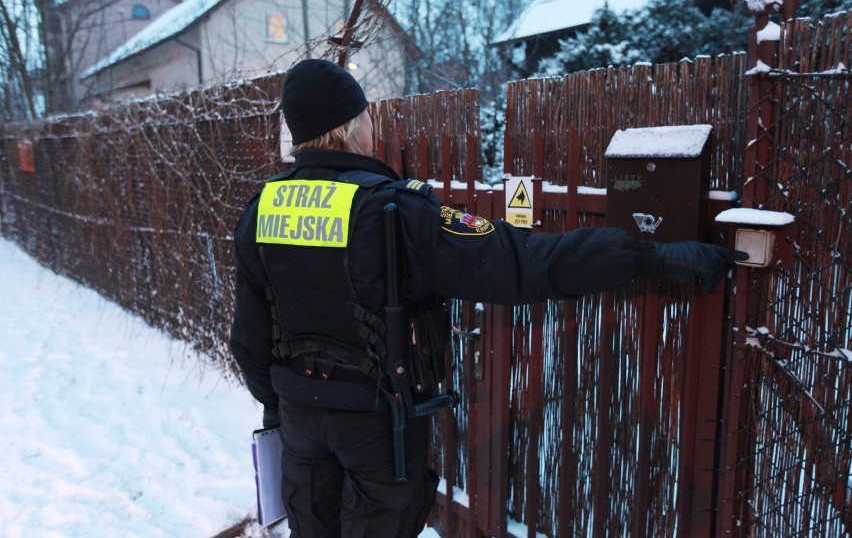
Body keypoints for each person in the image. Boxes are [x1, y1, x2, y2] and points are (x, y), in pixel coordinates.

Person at [229, 58, 747, 538]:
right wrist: (650, 257)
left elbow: (249, 338)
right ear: (351, 126)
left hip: (299, 419)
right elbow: (522, 261)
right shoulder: (395, 212)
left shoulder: (261, 211)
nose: (373, 127)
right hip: (375, 424)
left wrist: (281, 406)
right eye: (367, 117)